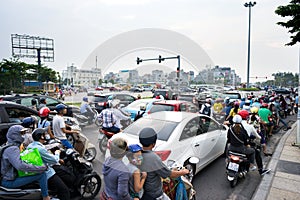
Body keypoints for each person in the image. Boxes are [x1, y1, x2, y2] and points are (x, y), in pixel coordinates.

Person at [0, 125, 51, 200]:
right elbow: (20, 166)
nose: (24, 135)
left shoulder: (12, 145)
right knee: (42, 175)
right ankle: (46, 197)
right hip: (8, 181)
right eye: (22, 133)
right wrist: (41, 168)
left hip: (11, 176)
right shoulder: (12, 149)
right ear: (15, 135)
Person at [139, 127, 189, 200]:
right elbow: (170, 174)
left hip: (143, 193)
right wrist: (183, 172)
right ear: (153, 144)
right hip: (154, 194)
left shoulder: (137, 153)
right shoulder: (153, 158)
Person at [28, 128, 70, 200]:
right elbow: (53, 160)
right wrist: (57, 153)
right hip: (47, 174)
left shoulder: (31, 146)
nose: (46, 135)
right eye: (45, 134)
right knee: (64, 191)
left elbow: (43, 157)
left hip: (37, 172)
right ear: (41, 137)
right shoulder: (40, 149)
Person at [238, 110, 271, 176]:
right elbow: (258, 137)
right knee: (257, 152)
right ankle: (260, 170)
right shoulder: (250, 126)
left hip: (234, 146)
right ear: (247, 117)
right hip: (245, 146)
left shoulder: (234, 126)